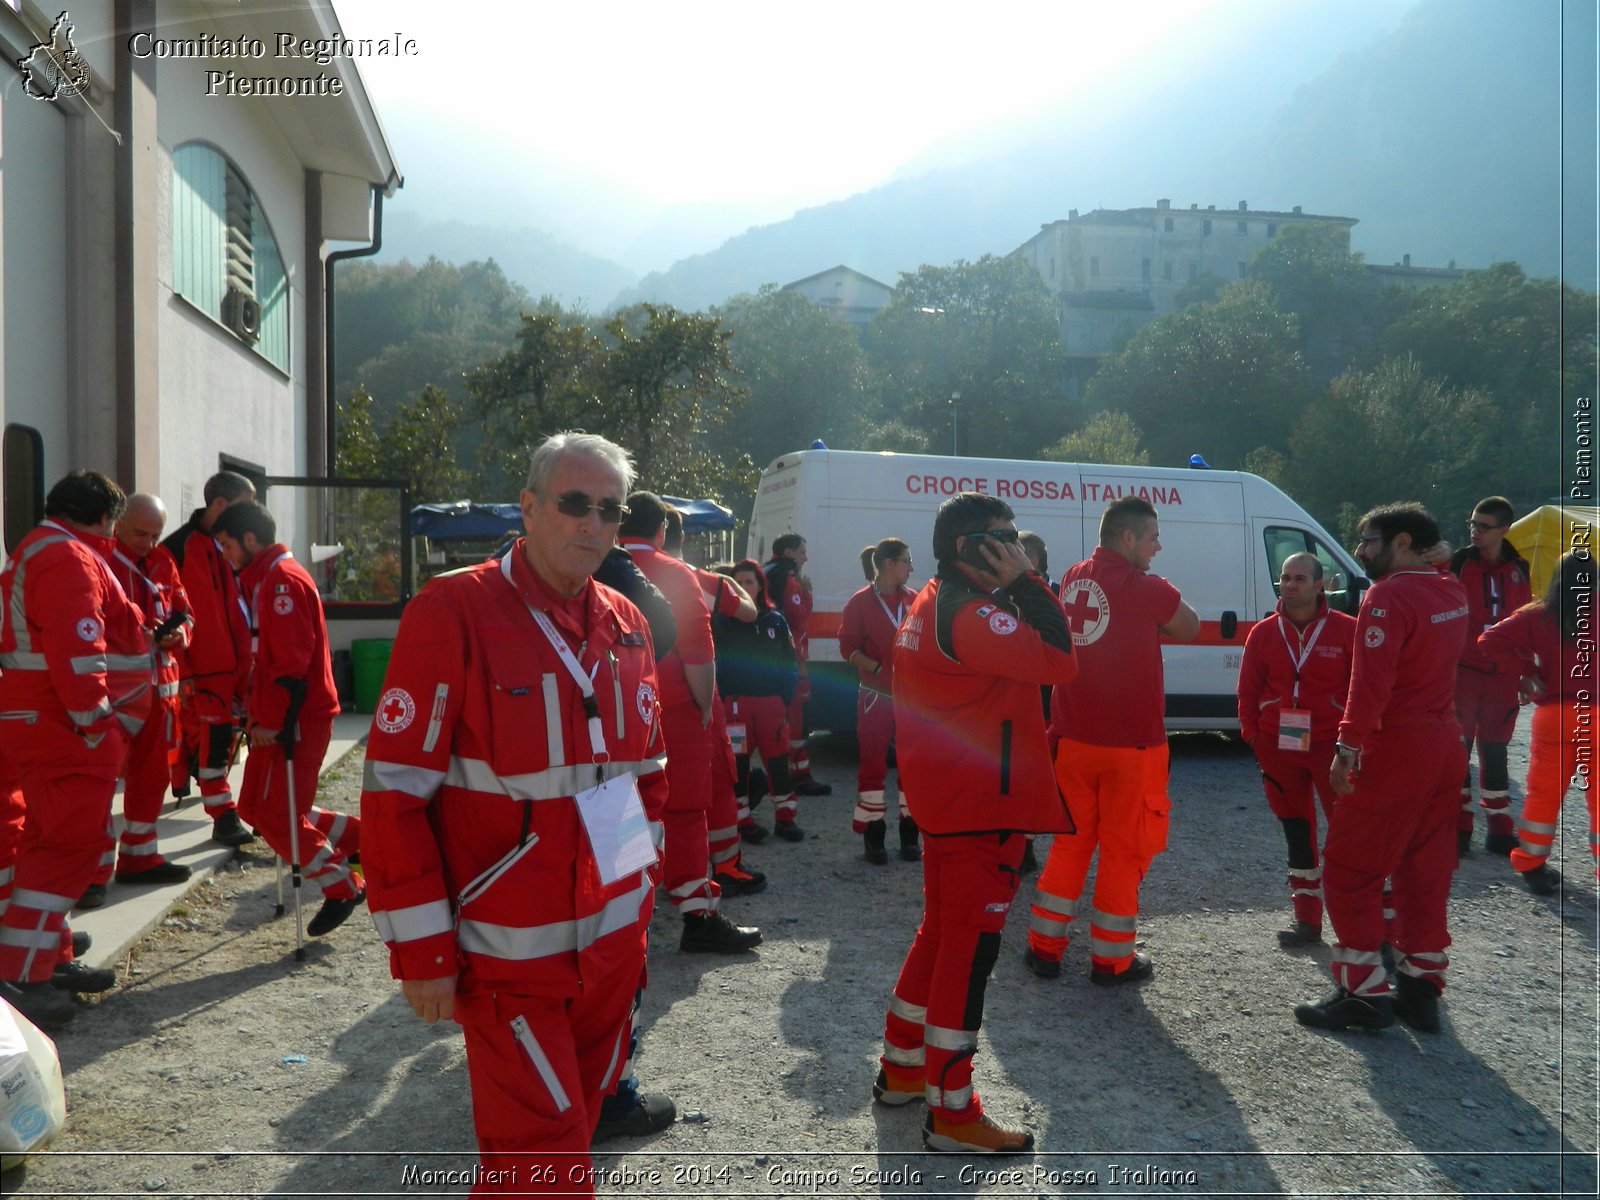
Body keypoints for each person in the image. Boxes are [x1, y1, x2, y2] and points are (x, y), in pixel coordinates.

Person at [362, 433, 670, 1193]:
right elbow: (394, 794)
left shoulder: (627, 620)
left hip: (608, 955)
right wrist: (424, 953)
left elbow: (644, 779)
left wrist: (638, 907)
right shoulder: (454, 610)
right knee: (550, 1158)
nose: (592, 524)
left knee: (542, 1149)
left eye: (609, 508)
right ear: (529, 508)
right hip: (507, 961)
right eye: (573, 504)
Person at [874, 492, 1076, 1154]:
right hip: (976, 808)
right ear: (970, 550)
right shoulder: (967, 613)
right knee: (968, 953)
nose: (1016, 548)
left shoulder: (935, 599)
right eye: (1004, 539)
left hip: (950, 802)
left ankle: (903, 1071)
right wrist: (1027, 581)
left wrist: (1013, 582)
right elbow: (1059, 660)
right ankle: (952, 1112)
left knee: (939, 936)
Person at [1294, 502, 1468, 1035]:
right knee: (1424, 868)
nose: (1362, 550)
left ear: (1403, 544)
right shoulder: (1450, 590)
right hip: (1444, 744)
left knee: (1349, 867)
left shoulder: (1388, 596)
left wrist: (1347, 747)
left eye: (1370, 540)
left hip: (1399, 745)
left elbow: (1371, 685)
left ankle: (1363, 991)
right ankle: (1420, 989)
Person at [1026, 496, 1200, 984]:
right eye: (1151, 538)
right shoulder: (1144, 587)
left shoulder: (1076, 576)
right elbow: (1189, 625)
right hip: (1132, 747)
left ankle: (1044, 948)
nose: (1157, 547)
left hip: (1075, 740)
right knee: (1123, 852)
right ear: (1128, 539)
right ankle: (1111, 960)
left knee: (1069, 847)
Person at [0, 471, 149, 1029]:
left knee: (45, 843)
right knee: (65, 847)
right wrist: (98, 725)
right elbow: (79, 647)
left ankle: (46, 959)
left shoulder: (39, 549)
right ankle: (24, 979)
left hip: (43, 719)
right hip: (63, 725)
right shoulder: (67, 557)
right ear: (105, 517)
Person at [212, 502, 363, 936]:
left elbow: (289, 665)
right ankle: (357, 838)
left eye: (226, 546)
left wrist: (270, 721)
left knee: (276, 813)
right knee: (259, 807)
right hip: (280, 716)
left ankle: (341, 885)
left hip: (294, 718)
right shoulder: (270, 579)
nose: (225, 556)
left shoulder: (280, 582)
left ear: (250, 541)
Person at [620, 494, 762, 951]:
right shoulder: (678, 572)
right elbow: (700, 650)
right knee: (684, 809)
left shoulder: (596, 562)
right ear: (661, 530)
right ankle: (697, 912)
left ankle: (622, 910)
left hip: (611, 704)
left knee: (620, 804)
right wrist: (705, 706)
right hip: (674, 705)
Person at [1236, 552, 1355, 947]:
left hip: (1331, 746)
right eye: (1285, 578)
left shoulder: (1347, 631)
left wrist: (1356, 743)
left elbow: (1364, 692)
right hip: (1279, 745)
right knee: (1297, 833)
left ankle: (1363, 927)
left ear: (1321, 585)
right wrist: (1254, 737)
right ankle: (1308, 921)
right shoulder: (1264, 633)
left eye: (1300, 578)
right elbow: (1248, 691)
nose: (1290, 585)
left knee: (1348, 836)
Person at [1479, 550, 1597, 895]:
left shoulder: (1540, 614)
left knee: (1543, 795)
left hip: (1553, 716)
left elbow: (1489, 641)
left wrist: (1528, 673)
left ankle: (1531, 865)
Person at [100, 493, 194, 887]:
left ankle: (139, 857)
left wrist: (179, 635)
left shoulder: (162, 561)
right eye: (141, 533)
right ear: (117, 524)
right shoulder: (100, 558)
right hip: (112, 691)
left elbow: (186, 611)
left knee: (153, 773)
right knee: (100, 778)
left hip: (159, 691)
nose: (149, 543)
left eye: (156, 534)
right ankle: (93, 870)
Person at [163, 470, 256, 848]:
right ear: (220, 504)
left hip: (233, 666)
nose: (249, 514)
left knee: (216, 738)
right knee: (214, 738)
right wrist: (182, 672)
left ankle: (201, 786)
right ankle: (223, 814)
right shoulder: (177, 548)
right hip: (201, 669)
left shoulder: (235, 544)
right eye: (244, 505)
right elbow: (170, 614)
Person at [1448, 496, 1532, 855]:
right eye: (1472, 524)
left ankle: (1499, 829)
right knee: (1456, 752)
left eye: (1483, 526)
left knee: (1496, 752)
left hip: (1503, 677)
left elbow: (1525, 624)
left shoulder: (1519, 568)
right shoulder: (1458, 563)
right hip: (1463, 672)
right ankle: (1458, 829)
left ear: (1504, 530)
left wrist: (1527, 672)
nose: (1474, 532)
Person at [839, 538, 919, 864]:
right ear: (889, 564)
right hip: (875, 696)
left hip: (911, 700)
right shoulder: (859, 603)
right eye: (906, 561)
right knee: (873, 767)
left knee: (912, 768)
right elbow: (848, 648)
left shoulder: (915, 599)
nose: (911, 567)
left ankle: (910, 835)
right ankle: (874, 838)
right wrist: (874, 666)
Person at [714, 559, 799, 854]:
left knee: (778, 762)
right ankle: (742, 820)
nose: (746, 587)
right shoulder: (721, 621)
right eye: (739, 582)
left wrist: (784, 697)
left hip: (771, 707)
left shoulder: (775, 620)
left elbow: (790, 660)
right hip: (735, 707)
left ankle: (786, 818)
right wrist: (724, 698)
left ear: (761, 585)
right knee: (737, 765)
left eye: (750, 581)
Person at [765, 533, 830, 796]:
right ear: (790, 553)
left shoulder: (764, 570)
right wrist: (808, 593)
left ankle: (790, 772)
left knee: (779, 721)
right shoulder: (790, 580)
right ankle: (799, 775)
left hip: (770, 659)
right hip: (791, 659)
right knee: (797, 721)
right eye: (802, 551)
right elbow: (798, 616)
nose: (806, 557)